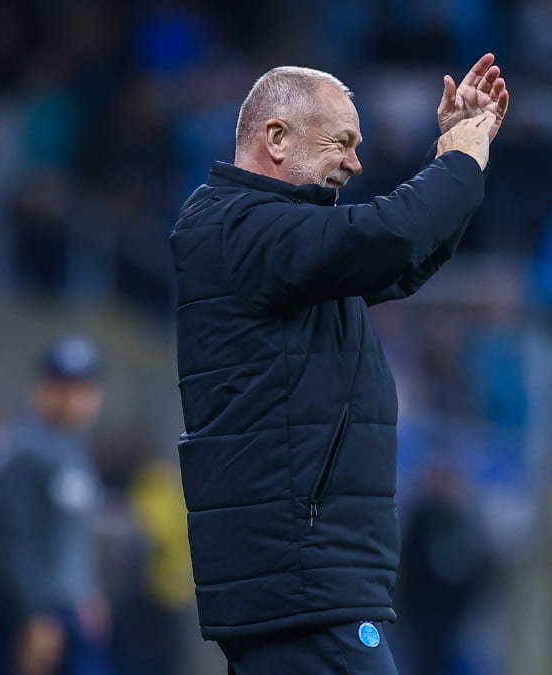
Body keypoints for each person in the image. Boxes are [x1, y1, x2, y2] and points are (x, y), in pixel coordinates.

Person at [170, 54, 508, 675]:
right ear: (276, 137)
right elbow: (387, 237)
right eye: (343, 143)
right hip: (304, 579)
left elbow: (400, 260)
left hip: (301, 581)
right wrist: (459, 161)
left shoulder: (267, 241)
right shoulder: (237, 225)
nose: (356, 164)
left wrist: (460, 154)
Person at [0, 335, 111, 675]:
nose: (73, 399)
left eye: (82, 388)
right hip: (40, 614)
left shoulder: (73, 449)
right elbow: (14, 540)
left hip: (72, 609)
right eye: (62, 387)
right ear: (42, 388)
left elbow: (75, 535)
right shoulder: (22, 449)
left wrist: (89, 591)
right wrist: (34, 615)